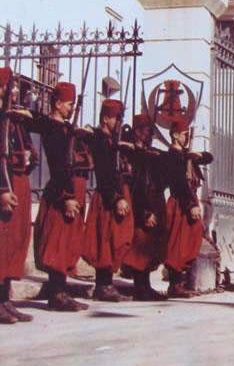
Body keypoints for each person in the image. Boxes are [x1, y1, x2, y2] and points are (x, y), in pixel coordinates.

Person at [29, 82, 92, 311]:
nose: (71, 108)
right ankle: (56, 294)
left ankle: (60, 290)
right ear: (57, 103)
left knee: (67, 243)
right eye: (69, 104)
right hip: (60, 192)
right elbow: (59, 166)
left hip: (67, 191)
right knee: (58, 244)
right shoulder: (53, 128)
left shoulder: (65, 128)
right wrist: (67, 196)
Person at [82, 99, 135, 302]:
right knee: (104, 241)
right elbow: (104, 173)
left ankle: (106, 284)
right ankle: (102, 286)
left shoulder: (112, 140)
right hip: (106, 197)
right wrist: (115, 199)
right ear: (105, 118)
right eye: (116, 118)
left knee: (114, 240)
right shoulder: (100, 140)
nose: (119, 122)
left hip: (113, 195)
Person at [0, 68, 37, 323]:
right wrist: (2, 190)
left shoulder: (11, 120)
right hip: (5, 187)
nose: (8, 92)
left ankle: (5, 300)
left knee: (14, 246)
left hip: (17, 184)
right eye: (5, 87)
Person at [162, 115, 213, 298]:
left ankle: (179, 282)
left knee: (189, 241)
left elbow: (209, 157)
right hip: (180, 203)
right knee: (178, 244)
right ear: (175, 135)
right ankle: (175, 284)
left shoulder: (185, 155)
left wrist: (197, 155)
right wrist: (191, 204)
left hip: (187, 202)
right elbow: (179, 183)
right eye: (184, 135)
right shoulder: (173, 156)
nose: (186, 138)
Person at [121, 113, 169, 301]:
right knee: (140, 248)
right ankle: (140, 287)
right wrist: (144, 212)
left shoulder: (151, 154)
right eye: (145, 131)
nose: (148, 135)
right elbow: (136, 186)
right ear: (137, 132)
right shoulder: (132, 154)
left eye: (149, 132)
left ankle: (145, 285)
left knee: (150, 249)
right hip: (141, 205)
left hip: (153, 202)